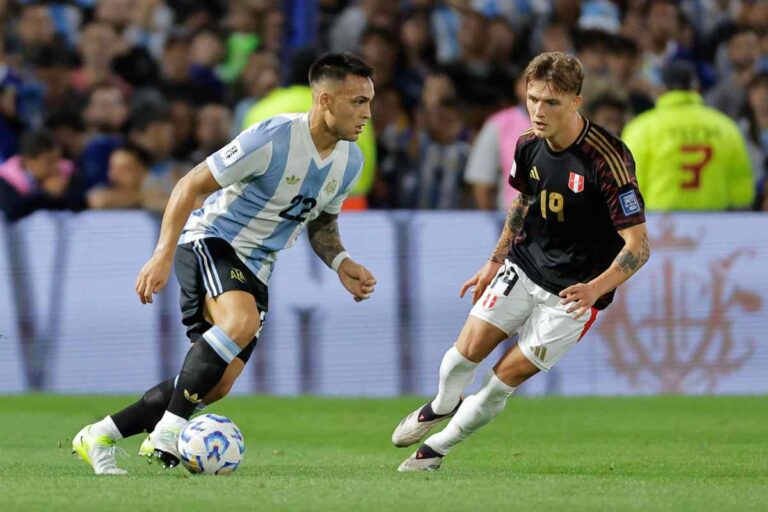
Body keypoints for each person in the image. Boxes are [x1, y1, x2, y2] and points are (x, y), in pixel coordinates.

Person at [72, 53, 378, 475]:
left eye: (369, 102)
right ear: (324, 100)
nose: (366, 113)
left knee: (214, 385)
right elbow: (190, 183)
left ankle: (98, 434)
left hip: (259, 266)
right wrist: (161, 254)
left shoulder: (350, 162)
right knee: (241, 321)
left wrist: (341, 261)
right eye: (357, 102)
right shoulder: (273, 138)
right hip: (213, 239)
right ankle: (168, 432)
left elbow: (321, 221)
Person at [392, 52, 650, 471]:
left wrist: (595, 289)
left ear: (576, 102)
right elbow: (523, 202)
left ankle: (438, 447)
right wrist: (495, 261)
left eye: (551, 102)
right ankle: (441, 405)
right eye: (532, 99)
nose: (538, 111)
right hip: (524, 266)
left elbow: (639, 245)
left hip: (573, 295)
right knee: (463, 355)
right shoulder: (528, 144)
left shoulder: (608, 159)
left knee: (500, 382)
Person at [622, 60, 754, 211]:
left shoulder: (641, 128)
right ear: (696, 88)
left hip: (660, 226)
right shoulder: (726, 127)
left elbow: (627, 186)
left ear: (661, 89)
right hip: (714, 224)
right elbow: (742, 194)